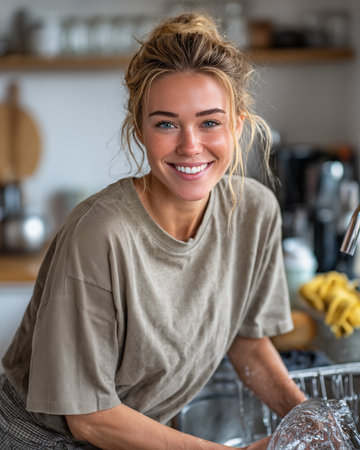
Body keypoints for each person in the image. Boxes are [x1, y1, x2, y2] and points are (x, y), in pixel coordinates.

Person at [0, 12, 307, 450]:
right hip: (38, 438)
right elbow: (90, 418)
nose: (189, 145)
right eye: (166, 123)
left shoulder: (254, 212)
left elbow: (247, 343)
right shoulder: (101, 234)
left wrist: (310, 419)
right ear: (140, 130)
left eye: (210, 122)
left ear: (237, 126)